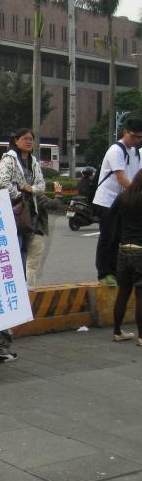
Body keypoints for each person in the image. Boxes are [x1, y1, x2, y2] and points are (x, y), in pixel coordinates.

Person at [92, 117, 142, 286]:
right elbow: (121, 178)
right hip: (107, 201)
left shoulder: (135, 152)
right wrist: (137, 196)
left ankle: (115, 272)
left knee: (119, 238)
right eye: (134, 136)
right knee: (108, 237)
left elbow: (136, 178)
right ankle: (104, 273)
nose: (137, 140)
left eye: (140, 137)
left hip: (123, 202)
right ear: (125, 132)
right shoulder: (116, 150)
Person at [0, 129, 47, 270]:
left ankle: (23, 279)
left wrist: (32, 189)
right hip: (13, 210)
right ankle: (15, 277)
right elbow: (2, 182)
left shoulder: (34, 162)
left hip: (30, 211)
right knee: (15, 248)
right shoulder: (9, 159)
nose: (28, 141)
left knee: (25, 249)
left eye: (31, 139)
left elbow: (42, 185)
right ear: (16, 141)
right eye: (25, 138)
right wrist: (19, 193)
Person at [108, 170, 142, 343]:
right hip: (140, 249)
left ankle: (117, 332)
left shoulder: (123, 197)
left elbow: (110, 215)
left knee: (123, 292)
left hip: (123, 249)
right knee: (140, 294)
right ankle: (141, 337)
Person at [25, 184, 64, 288]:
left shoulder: (10, 193)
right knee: (31, 263)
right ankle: (28, 288)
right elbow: (53, 205)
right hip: (35, 232)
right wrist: (58, 192)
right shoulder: (34, 194)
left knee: (18, 262)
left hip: (16, 234)